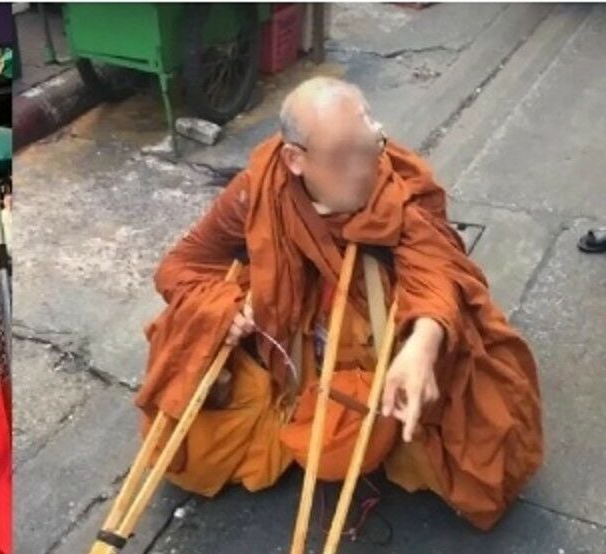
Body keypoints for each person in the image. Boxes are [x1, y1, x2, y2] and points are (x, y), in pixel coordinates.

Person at [139, 77, 542, 531]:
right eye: (339, 157)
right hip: (292, 332)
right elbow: (179, 267)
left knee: (485, 423)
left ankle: (371, 415)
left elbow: (437, 267)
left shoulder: (395, 184)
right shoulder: (258, 192)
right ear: (295, 160)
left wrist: (423, 345)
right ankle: (294, 413)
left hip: (374, 322)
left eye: (369, 147)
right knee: (185, 360)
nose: (361, 170)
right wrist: (222, 309)